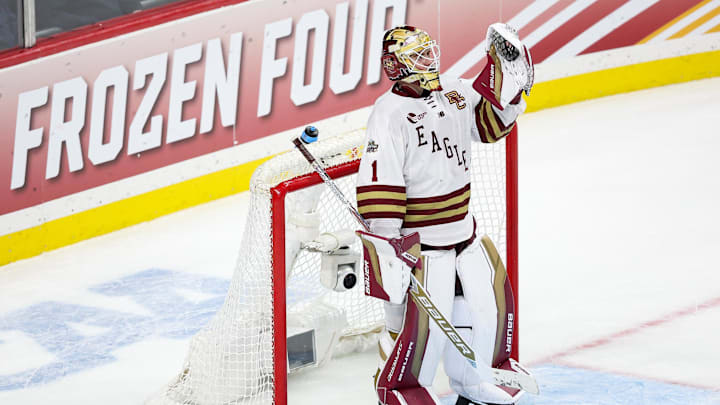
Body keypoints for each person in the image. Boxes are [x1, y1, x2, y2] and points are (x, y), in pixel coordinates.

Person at [355, 25, 533, 405]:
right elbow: (380, 187)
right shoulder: (388, 115)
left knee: (477, 314)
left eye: (428, 51)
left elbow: (487, 126)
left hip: (462, 236)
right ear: (395, 65)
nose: (428, 60)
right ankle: (399, 390)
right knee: (413, 333)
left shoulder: (454, 89)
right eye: (417, 56)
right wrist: (391, 249)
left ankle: (472, 384)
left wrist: (509, 90)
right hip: (422, 249)